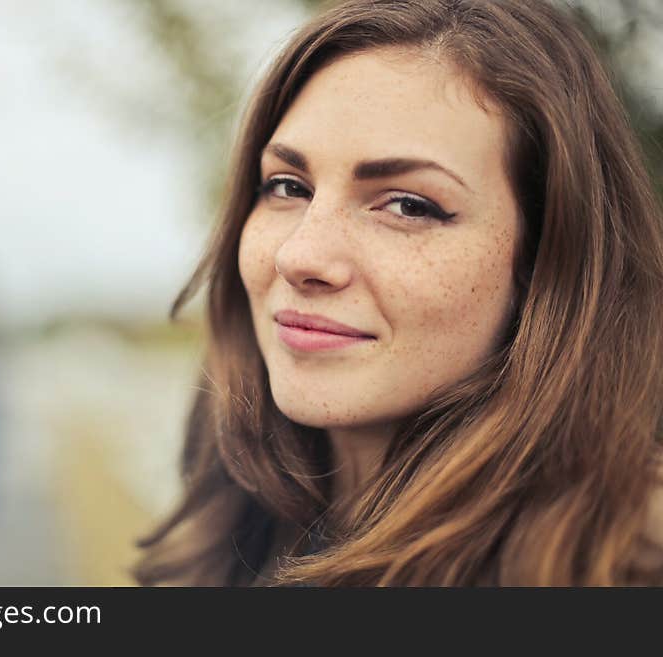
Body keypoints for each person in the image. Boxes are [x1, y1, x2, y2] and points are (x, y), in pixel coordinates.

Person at [133, 0, 663, 586]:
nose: (300, 256)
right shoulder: (229, 538)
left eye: (408, 205)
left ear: (545, 264)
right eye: (287, 186)